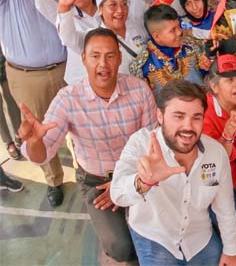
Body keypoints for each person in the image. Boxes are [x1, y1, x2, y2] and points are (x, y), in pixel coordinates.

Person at [19, 28, 155, 262]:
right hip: (96, 179)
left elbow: (152, 145)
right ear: (83, 58)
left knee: (156, 233)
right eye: (95, 55)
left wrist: (126, 184)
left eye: (110, 55)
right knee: (121, 247)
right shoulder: (68, 98)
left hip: (136, 174)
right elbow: (42, 154)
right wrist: (34, 142)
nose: (103, 63)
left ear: (120, 58)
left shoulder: (139, 90)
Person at [110, 80, 236, 266]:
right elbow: (118, 194)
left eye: (196, 117)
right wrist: (145, 182)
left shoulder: (216, 153)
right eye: (178, 116)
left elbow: (225, 207)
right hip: (154, 236)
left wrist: (231, 250)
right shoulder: (141, 143)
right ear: (160, 116)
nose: (188, 126)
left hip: (198, 237)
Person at [0, 0, 68, 206]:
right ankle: (54, 180)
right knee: (36, 130)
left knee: (73, 123)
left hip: (65, 68)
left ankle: (89, 171)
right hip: (26, 76)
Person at [202, 54, 236, 237]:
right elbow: (208, 167)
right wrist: (227, 135)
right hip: (217, 183)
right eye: (230, 80)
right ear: (214, 86)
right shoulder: (204, 113)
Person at [132, 5, 211, 96]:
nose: (179, 32)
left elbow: (208, 77)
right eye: (172, 30)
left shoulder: (192, 45)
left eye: (179, 26)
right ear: (156, 37)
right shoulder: (141, 66)